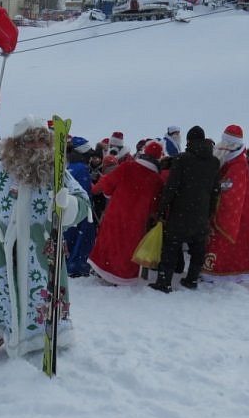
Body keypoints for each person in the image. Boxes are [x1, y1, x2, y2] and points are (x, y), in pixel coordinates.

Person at [0, 115, 91, 358]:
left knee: (41, 294)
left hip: (42, 248)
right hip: (4, 248)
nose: (37, 145)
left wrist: (67, 207)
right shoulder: (1, 171)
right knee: (0, 292)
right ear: (18, 144)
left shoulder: (57, 172)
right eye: (30, 140)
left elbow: (83, 202)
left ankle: (41, 336)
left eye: (41, 140)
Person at [149, 126, 220, 293]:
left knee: (171, 248)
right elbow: (215, 190)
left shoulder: (182, 160)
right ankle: (192, 279)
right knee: (198, 249)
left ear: (188, 141)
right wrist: (209, 212)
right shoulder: (214, 162)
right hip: (201, 213)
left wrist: (162, 208)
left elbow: (171, 188)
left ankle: (164, 282)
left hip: (180, 212)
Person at [88, 140, 164, 286]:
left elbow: (108, 184)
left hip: (116, 212)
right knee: (128, 246)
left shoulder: (128, 167)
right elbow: (155, 205)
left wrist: (107, 194)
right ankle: (123, 275)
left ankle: (105, 271)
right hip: (137, 219)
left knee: (110, 242)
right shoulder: (156, 180)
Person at [201, 125, 249, 283]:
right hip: (222, 208)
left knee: (229, 243)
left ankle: (228, 273)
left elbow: (232, 192)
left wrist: (216, 191)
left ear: (231, 145)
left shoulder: (238, 164)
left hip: (234, 213)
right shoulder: (228, 158)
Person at [64, 136, 96, 277]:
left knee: (69, 235)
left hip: (68, 206)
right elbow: (84, 191)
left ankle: (66, 261)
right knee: (84, 237)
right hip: (80, 207)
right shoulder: (82, 168)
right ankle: (77, 265)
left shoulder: (68, 166)